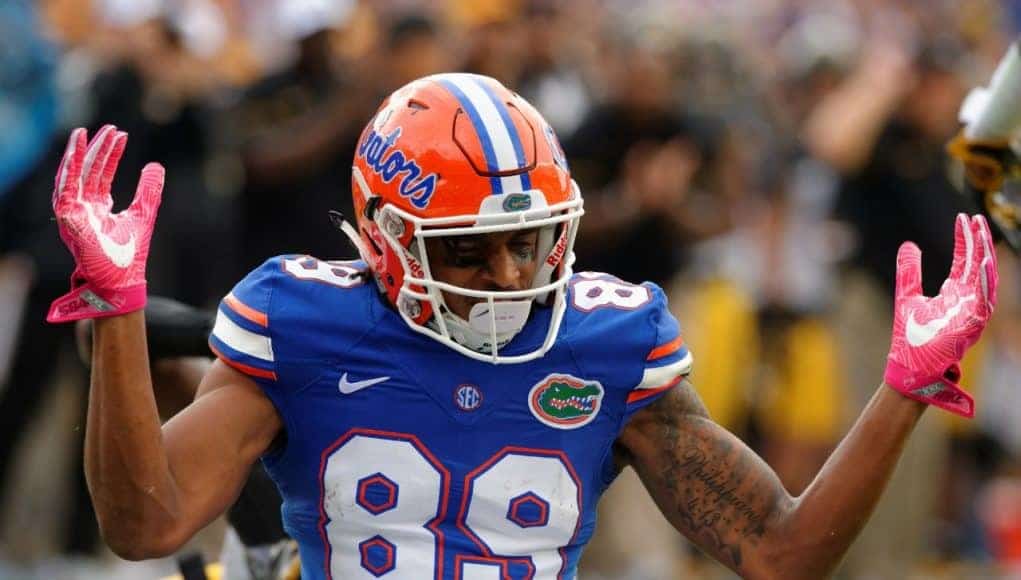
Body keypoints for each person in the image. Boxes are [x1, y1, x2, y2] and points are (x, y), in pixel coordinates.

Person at [48, 73, 997, 580]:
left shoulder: (610, 342)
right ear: (383, 240)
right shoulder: (304, 320)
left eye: (531, 240)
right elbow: (146, 521)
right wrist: (118, 312)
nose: (506, 276)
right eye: (467, 251)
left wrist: (903, 391)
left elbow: (780, 552)